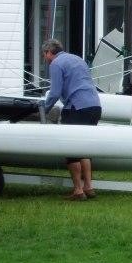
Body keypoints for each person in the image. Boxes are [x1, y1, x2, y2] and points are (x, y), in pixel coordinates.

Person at [42, 39, 102, 201]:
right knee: (85, 148)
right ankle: (89, 187)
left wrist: (43, 109)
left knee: (71, 149)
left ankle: (78, 190)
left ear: (49, 52)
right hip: (95, 106)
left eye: (44, 55)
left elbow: (54, 93)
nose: (45, 58)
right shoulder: (77, 59)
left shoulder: (56, 64)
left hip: (77, 107)